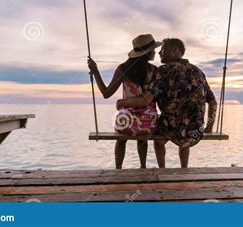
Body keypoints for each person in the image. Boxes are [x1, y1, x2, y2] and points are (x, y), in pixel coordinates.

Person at [116, 38, 217, 168]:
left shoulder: (163, 71)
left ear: (174, 51)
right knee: (185, 132)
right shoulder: (198, 71)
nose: (159, 53)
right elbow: (213, 102)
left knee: (158, 138)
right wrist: (209, 127)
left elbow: (146, 100)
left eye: (163, 50)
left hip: (171, 127)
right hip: (195, 131)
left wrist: (122, 103)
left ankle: (162, 169)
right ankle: (184, 168)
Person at [88, 34, 162, 169]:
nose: (155, 52)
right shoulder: (155, 71)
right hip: (147, 123)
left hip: (126, 122)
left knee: (121, 138)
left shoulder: (123, 69)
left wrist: (95, 71)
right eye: (153, 49)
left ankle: (118, 169)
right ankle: (143, 167)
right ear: (148, 52)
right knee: (142, 136)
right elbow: (150, 99)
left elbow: (106, 94)